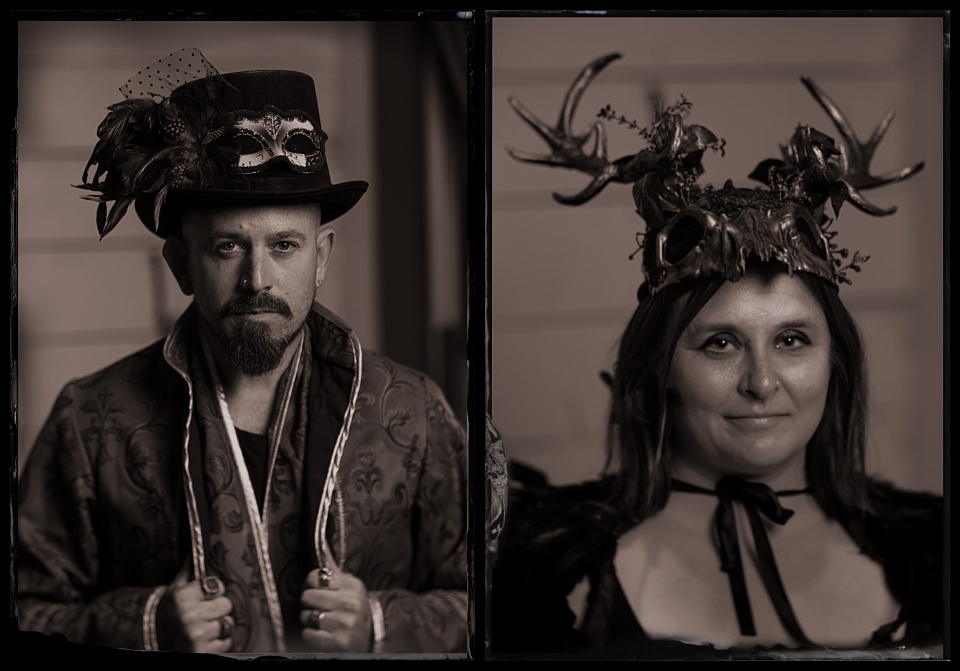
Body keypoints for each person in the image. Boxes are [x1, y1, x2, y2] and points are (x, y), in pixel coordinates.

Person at [16, 48, 468, 655]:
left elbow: (493, 599)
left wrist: (380, 624)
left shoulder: (413, 411)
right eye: (228, 246)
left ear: (323, 257)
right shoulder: (91, 420)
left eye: (285, 245)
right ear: (181, 264)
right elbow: (28, 608)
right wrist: (146, 625)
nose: (258, 279)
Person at [491, 53, 942, 659]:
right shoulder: (536, 564)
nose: (761, 382)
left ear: (837, 363)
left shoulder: (933, 545)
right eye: (720, 344)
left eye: (791, 340)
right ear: (660, 368)